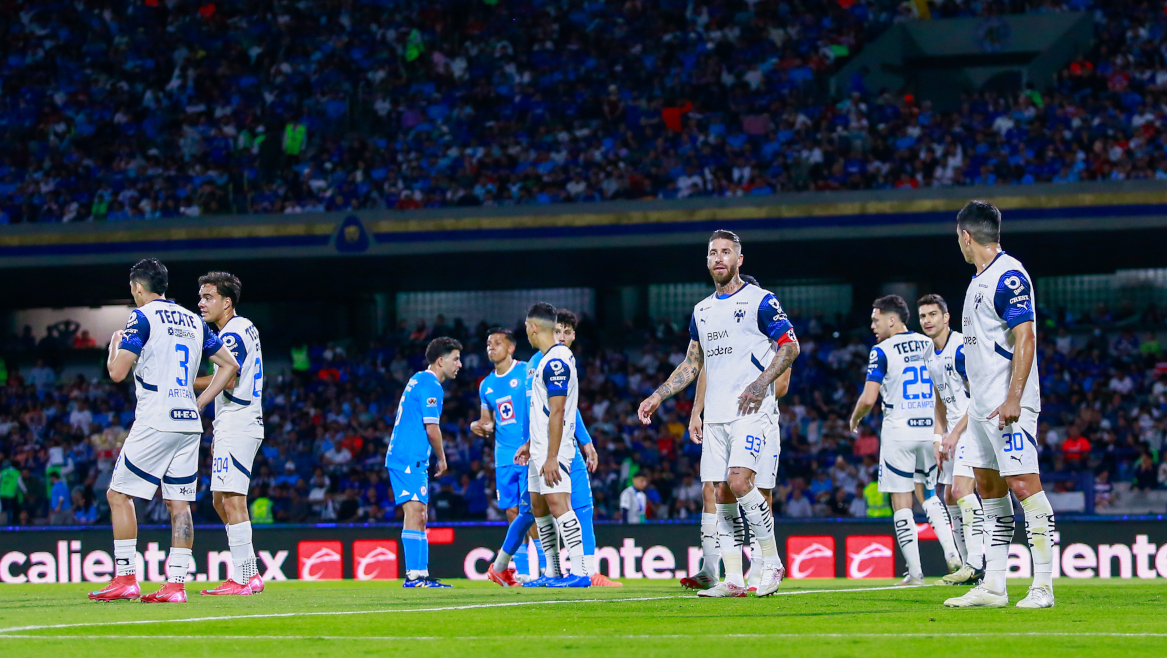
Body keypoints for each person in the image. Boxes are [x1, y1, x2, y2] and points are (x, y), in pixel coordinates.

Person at [639, 230, 799, 598]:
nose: (719, 258)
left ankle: (772, 562)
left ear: (739, 259)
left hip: (751, 412)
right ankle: (733, 579)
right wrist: (658, 396)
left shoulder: (761, 300)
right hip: (716, 418)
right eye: (713, 253)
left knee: (741, 481)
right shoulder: (702, 311)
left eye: (727, 252)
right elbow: (693, 363)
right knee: (721, 493)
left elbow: (790, 347)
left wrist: (761, 384)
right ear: (708, 260)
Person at [88, 258, 238, 603]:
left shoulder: (141, 317)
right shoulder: (192, 319)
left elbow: (116, 373)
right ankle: (176, 586)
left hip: (157, 416)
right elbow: (230, 365)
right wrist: (200, 402)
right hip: (188, 420)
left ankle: (126, 578)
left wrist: (114, 348)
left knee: (118, 494)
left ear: (138, 288)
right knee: (179, 503)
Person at [943, 200, 1056, 609]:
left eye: (958, 237)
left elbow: (1026, 337)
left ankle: (1042, 587)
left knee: (1024, 486)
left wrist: (1014, 397)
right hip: (981, 407)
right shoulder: (977, 281)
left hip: (1010, 406)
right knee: (990, 491)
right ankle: (994, 585)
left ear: (966, 236)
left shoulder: (1008, 276)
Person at [849, 294, 959, 587]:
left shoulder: (881, 350)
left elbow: (869, 397)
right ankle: (952, 554)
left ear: (892, 319)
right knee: (930, 495)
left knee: (902, 502)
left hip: (899, 430)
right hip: (931, 428)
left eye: (876, 320)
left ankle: (915, 572)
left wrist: (855, 417)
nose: (873, 325)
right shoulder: (928, 342)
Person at [195, 271, 267, 596]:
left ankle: (244, 577)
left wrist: (187, 391)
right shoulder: (244, 326)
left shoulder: (231, 334)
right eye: (200, 296)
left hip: (239, 420)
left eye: (208, 297)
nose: (201, 302)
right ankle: (248, 570)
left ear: (227, 302)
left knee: (233, 500)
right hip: (234, 421)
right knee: (219, 499)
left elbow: (231, 377)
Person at [515, 302, 590, 588]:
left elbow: (558, 411)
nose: (527, 334)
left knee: (560, 504)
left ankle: (581, 571)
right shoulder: (547, 359)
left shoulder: (557, 360)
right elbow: (544, 411)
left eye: (526, 328)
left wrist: (551, 456)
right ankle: (553, 571)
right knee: (539, 507)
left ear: (534, 327)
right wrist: (530, 443)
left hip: (552, 450)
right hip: (539, 447)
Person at [919, 294, 986, 585]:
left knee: (960, 491)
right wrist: (938, 438)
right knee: (947, 496)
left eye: (933, 314)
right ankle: (965, 565)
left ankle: (977, 562)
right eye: (923, 316)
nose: (927, 321)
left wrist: (955, 434)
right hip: (952, 432)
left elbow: (980, 398)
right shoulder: (929, 354)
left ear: (946, 318)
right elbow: (939, 401)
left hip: (974, 426)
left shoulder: (960, 349)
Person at [385, 337, 461, 588]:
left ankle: (420, 574)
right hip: (408, 458)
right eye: (455, 359)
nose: (459, 364)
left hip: (408, 457)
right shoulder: (431, 385)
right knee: (415, 513)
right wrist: (442, 457)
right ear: (441, 361)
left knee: (419, 514)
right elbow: (432, 428)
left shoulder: (419, 378)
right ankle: (414, 576)